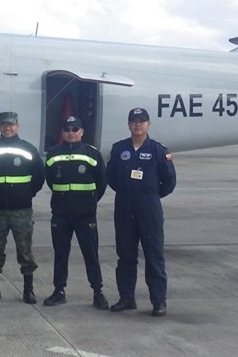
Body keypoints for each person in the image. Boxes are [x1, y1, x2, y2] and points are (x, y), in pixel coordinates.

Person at [106, 108, 176, 317]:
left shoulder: (158, 150)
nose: (138, 125)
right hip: (125, 207)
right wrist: (129, 192)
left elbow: (169, 181)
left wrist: (150, 195)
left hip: (149, 208)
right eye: (134, 121)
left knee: (154, 255)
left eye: (142, 121)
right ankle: (127, 298)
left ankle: (158, 301)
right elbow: (111, 177)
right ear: (129, 125)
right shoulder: (119, 149)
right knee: (125, 255)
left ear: (148, 125)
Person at [42, 116, 108, 310]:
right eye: (67, 129)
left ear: (82, 132)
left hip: (85, 214)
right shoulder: (54, 154)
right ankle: (59, 291)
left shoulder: (92, 154)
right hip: (61, 214)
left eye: (74, 129)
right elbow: (51, 181)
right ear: (63, 132)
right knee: (61, 254)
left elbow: (101, 183)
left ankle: (98, 292)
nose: (71, 132)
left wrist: (88, 201)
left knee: (91, 254)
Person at [0, 111, 46, 303]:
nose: (7, 127)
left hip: (21, 210)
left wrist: (26, 194)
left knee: (25, 251)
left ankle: (28, 289)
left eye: (11, 124)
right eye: (3, 124)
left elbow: (39, 177)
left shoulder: (28, 149)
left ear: (17, 126)